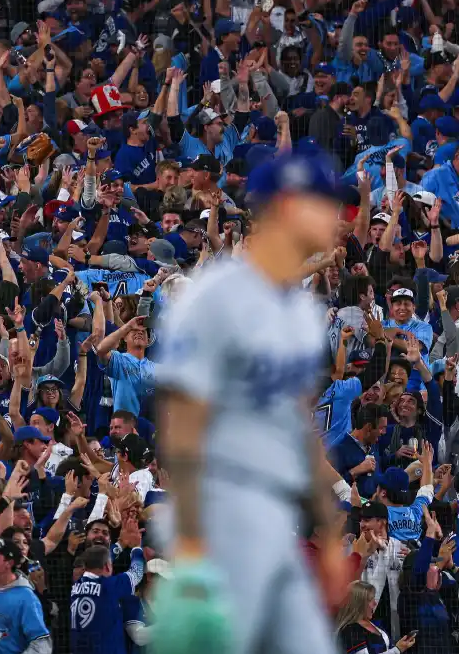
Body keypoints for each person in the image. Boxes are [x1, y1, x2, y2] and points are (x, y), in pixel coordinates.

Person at [154, 155, 345, 654]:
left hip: (275, 511)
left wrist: (327, 531)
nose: (334, 218)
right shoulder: (214, 297)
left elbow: (300, 427)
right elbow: (180, 425)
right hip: (223, 501)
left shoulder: (302, 314)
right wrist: (194, 544)